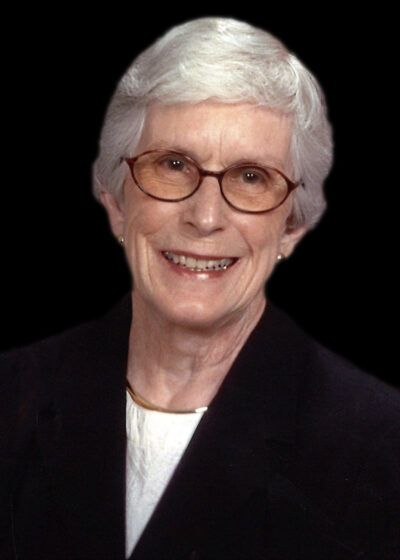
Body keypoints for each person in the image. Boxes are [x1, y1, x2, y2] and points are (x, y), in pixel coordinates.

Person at [1, 16, 399, 560]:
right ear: (116, 203)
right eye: (173, 165)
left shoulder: (381, 447)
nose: (206, 217)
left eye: (251, 177)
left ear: (292, 226)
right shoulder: (10, 397)